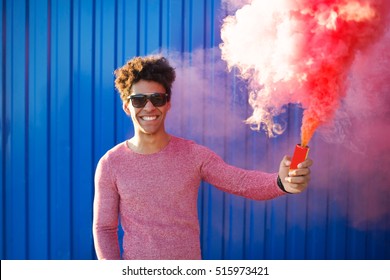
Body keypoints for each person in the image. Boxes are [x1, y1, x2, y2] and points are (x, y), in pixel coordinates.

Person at [92, 55, 313, 260]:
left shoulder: (193, 155)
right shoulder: (111, 163)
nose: (149, 107)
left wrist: (280, 182)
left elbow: (241, 182)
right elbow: (104, 229)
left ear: (168, 103)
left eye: (157, 98)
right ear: (127, 107)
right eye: (139, 100)